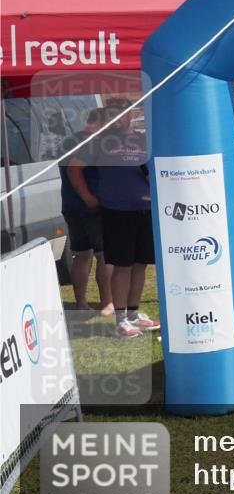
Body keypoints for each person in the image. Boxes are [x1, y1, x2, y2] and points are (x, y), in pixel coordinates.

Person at [70, 102, 159, 339]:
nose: (117, 119)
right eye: (112, 116)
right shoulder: (99, 141)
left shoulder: (143, 139)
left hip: (145, 208)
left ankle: (133, 314)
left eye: (122, 115)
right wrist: (88, 197)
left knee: (141, 264)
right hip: (116, 212)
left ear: (132, 115)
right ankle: (121, 320)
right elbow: (74, 168)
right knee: (122, 266)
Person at [61, 108, 113, 315]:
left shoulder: (69, 141)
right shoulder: (94, 141)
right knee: (104, 255)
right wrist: (89, 198)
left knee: (81, 255)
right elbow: (74, 170)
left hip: (70, 206)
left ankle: (81, 303)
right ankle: (107, 303)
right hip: (90, 205)